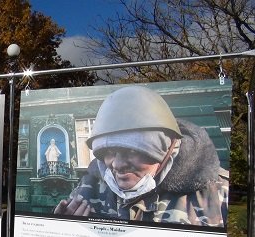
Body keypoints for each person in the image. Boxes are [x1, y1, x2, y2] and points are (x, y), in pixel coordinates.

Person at [54, 86, 228, 227]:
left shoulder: (218, 193)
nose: (118, 165)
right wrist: (65, 233)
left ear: (167, 146)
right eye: (109, 152)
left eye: (132, 151)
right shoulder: (88, 188)